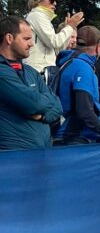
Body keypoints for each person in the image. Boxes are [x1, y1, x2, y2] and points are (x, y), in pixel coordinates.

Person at [53, 26, 100, 146]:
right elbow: (84, 111)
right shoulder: (83, 68)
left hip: (70, 136)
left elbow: (76, 101)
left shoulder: (72, 62)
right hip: (75, 139)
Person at [0, 15, 63, 150]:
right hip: (14, 155)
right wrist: (44, 102)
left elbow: (58, 105)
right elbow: (33, 103)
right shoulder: (2, 71)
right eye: (26, 39)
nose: (32, 43)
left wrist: (41, 116)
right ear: (9, 38)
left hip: (43, 152)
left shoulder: (30, 71)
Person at [24, 0, 84, 75]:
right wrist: (70, 27)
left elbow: (58, 50)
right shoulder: (37, 16)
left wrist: (68, 29)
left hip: (44, 69)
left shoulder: (44, 18)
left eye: (55, 1)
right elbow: (54, 42)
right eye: (51, 0)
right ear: (38, 0)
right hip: (37, 70)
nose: (55, 3)